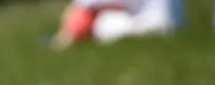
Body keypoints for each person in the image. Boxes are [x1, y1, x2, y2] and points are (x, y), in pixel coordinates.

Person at [51, 0, 186, 49]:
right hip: (178, 24)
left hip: (154, 26)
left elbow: (85, 5)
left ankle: (62, 42)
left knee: (102, 22)